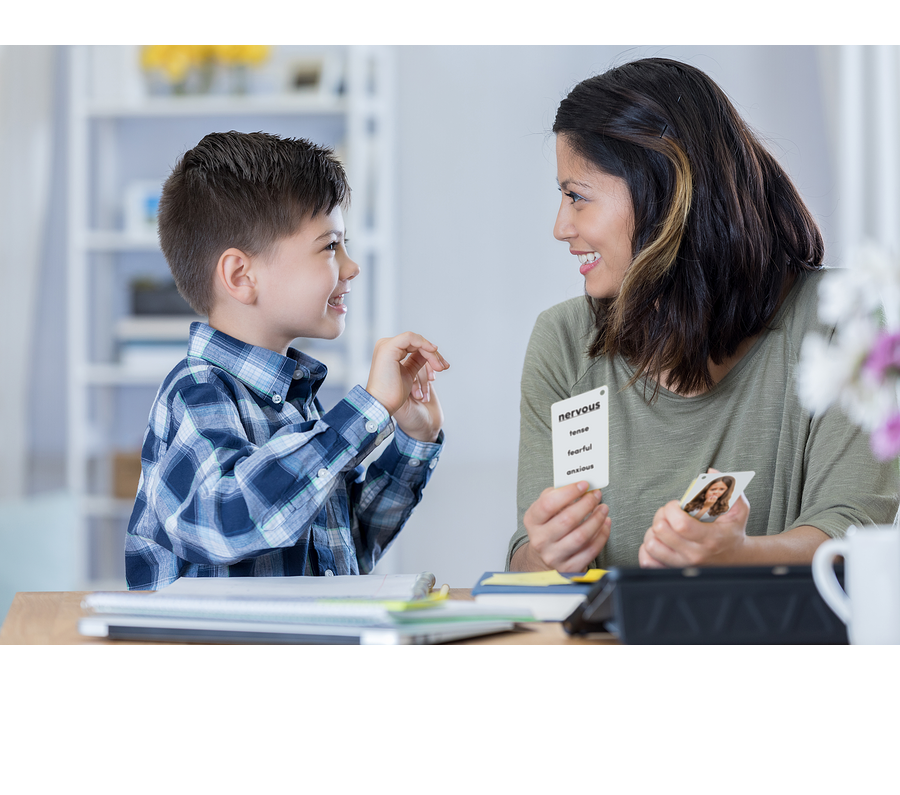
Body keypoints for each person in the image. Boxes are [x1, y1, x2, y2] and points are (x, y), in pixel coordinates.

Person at [508, 58, 899, 573]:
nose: (561, 227)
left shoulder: (844, 323)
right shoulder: (562, 342)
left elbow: (852, 535)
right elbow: (525, 559)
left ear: (664, 192)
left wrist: (740, 558)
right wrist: (547, 552)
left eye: (577, 197)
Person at [126, 132, 449, 590]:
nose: (352, 266)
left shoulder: (296, 402)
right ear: (242, 275)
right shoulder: (197, 392)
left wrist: (415, 439)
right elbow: (230, 520)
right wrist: (368, 409)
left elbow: (344, 550)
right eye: (330, 246)